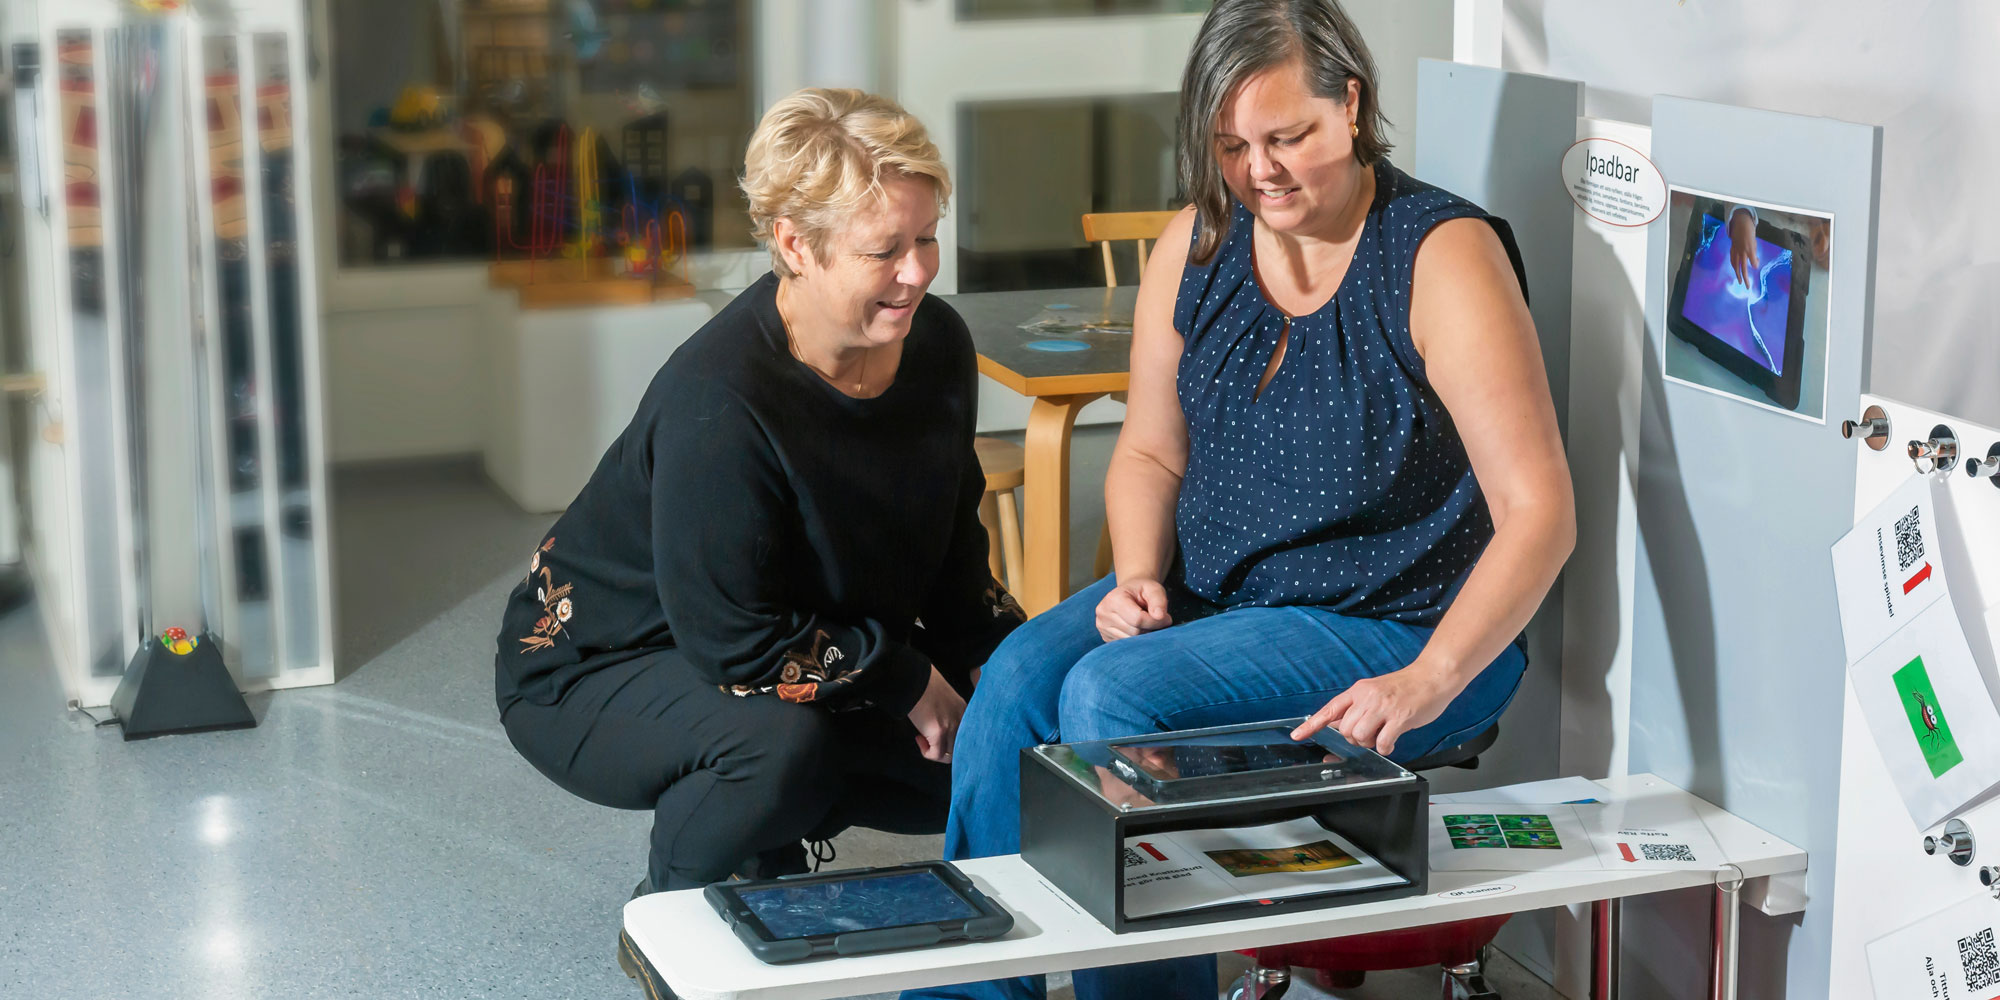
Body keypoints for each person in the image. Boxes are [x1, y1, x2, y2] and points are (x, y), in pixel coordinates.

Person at [905, 2, 1574, 998]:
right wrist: (1133, 575)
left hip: (1397, 628)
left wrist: (1428, 678)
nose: (1258, 170)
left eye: (1286, 136)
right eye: (1229, 146)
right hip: (1220, 604)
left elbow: (1539, 512)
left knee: (1112, 697)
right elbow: (1145, 449)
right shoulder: (1198, 242)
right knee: (1009, 686)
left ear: (1350, 105)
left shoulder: (1439, 255)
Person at [491, 88, 1023, 991]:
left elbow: (951, 554)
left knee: (1012, 752)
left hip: (798, 637)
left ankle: (770, 827)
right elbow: (732, 641)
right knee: (780, 751)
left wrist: (1017, 679)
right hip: (599, 665)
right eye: (883, 251)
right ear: (793, 244)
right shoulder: (719, 402)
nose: (918, 271)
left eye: (926, 237)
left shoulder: (937, 344)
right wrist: (906, 681)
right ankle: (666, 912)